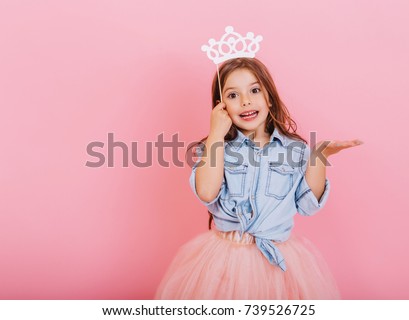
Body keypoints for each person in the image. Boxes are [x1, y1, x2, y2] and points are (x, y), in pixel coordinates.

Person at [154, 57, 363, 299]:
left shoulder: (294, 150)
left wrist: (319, 156)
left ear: (269, 98)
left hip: (276, 260)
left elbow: (307, 206)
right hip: (224, 261)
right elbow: (207, 192)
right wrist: (216, 135)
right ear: (220, 107)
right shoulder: (215, 147)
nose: (245, 101)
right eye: (233, 95)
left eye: (254, 90)